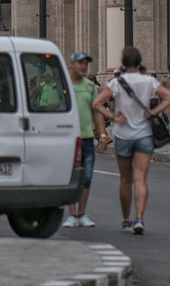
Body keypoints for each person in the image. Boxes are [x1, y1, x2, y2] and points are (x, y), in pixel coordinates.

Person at [91, 45, 170, 235]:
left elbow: (96, 104)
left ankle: (126, 220)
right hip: (144, 135)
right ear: (139, 61)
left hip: (123, 135)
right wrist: (151, 112)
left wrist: (113, 117)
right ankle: (139, 218)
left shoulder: (116, 83)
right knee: (141, 180)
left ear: (123, 61)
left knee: (126, 181)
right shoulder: (148, 81)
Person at [64, 51, 105, 228]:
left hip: (87, 138)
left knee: (86, 177)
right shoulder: (63, 85)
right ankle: (71, 214)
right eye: (80, 63)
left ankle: (82, 213)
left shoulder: (90, 87)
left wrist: (102, 133)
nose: (83, 66)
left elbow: (96, 111)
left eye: (86, 64)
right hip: (68, 139)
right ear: (72, 64)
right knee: (71, 176)